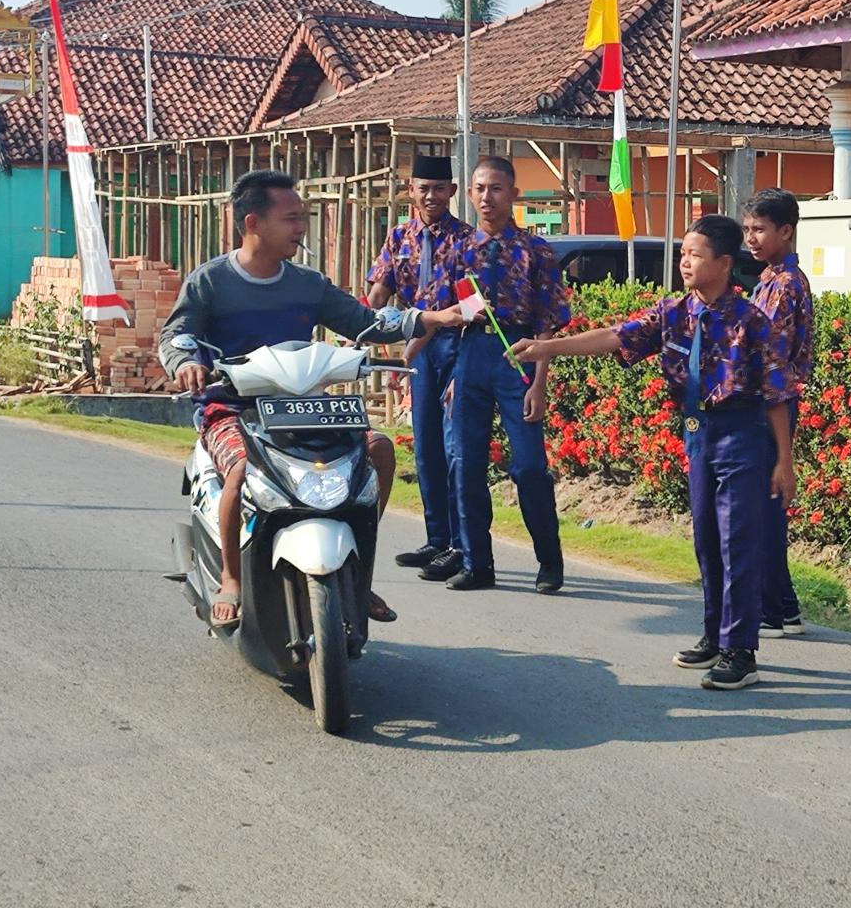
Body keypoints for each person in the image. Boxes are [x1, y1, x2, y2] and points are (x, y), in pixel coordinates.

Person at [158, 169, 459, 628]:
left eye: (303, 218)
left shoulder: (308, 283)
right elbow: (177, 334)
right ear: (253, 223)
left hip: (304, 405)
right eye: (291, 218)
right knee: (242, 470)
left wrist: (429, 317)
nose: (301, 228)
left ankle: (357, 572)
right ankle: (231, 579)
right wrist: (186, 364)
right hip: (232, 407)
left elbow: (366, 322)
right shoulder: (211, 281)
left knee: (377, 452)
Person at [510, 215, 795, 690]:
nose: (685, 261)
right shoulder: (673, 312)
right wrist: (546, 348)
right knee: (706, 537)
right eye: (683, 252)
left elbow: (777, 394)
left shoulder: (752, 321)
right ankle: (714, 635)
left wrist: (784, 461)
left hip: (743, 434)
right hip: (698, 432)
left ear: (724, 263)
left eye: (695, 254)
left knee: (737, 542)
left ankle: (741, 650)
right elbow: (615, 337)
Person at [438, 156, 567, 594]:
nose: (486, 198)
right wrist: (455, 372)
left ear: (513, 194)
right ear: (469, 194)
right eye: (478, 189)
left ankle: (549, 560)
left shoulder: (537, 251)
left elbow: (548, 321)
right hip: (472, 354)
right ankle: (478, 564)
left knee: (530, 466)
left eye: (495, 189)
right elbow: (452, 313)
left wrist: (540, 381)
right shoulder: (458, 250)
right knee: (465, 463)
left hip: (521, 353)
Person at [365, 154, 474, 584]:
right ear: (409, 190)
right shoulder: (397, 238)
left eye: (439, 188)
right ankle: (436, 537)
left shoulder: (468, 241)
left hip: (458, 346)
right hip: (417, 347)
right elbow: (377, 293)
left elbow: (471, 305)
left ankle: (460, 547)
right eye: (422, 188)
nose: (430, 196)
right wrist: (365, 309)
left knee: (453, 449)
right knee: (425, 445)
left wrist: (414, 343)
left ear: (451, 191)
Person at [743, 188, 813, 638]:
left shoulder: (786, 283)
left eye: (760, 230)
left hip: (775, 403)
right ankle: (781, 606)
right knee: (764, 508)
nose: (751, 238)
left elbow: (770, 358)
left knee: (767, 508)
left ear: (785, 232)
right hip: (770, 401)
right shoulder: (770, 276)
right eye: (747, 229)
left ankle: (776, 609)